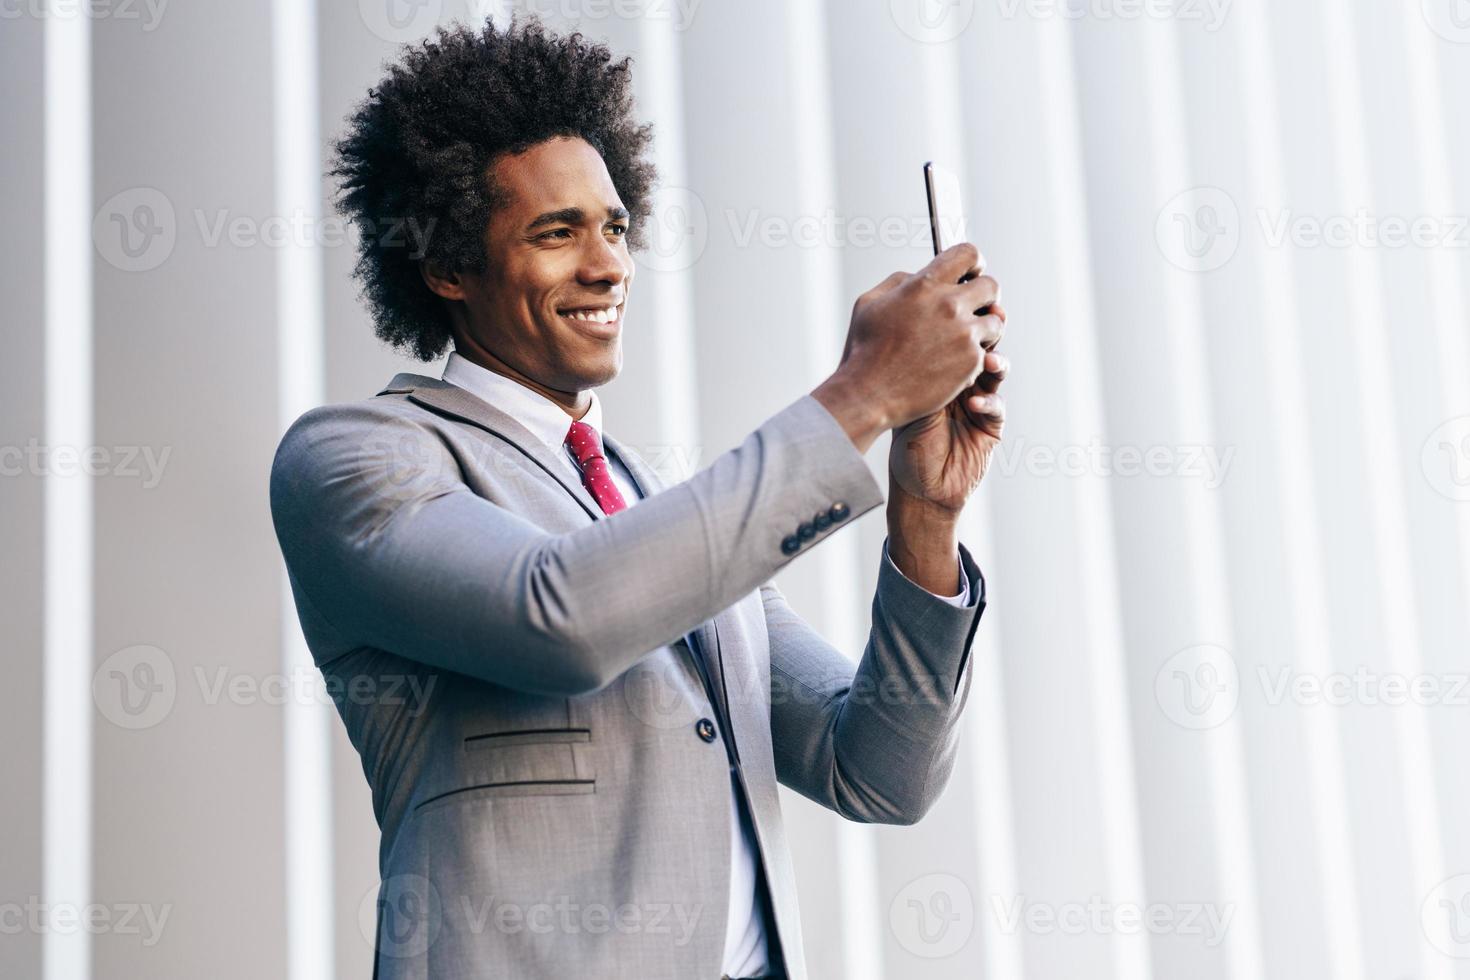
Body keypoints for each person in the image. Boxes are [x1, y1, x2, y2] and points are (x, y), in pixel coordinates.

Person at [269, 16, 1009, 980]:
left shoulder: (649, 500)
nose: (609, 263)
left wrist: (924, 513)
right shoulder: (355, 458)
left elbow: (874, 771)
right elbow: (562, 613)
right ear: (448, 266)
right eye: (557, 231)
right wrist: (864, 393)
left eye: (615, 226)